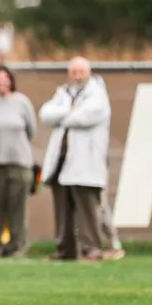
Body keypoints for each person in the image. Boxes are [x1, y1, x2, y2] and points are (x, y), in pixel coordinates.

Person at [40, 56, 111, 262]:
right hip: (61, 161)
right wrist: (67, 111)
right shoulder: (63, 93)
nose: (78, 76)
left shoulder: (97, 94)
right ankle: (66, 250)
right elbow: (45, 114)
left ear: (89, 73)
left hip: (85, 161)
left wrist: (63, 115)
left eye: (82, 72)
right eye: (74, 72)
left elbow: (86, 116)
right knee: (63, 210)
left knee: (87, 209)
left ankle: (92, 249)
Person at [0, 65, 37, 257]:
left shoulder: (22, 102)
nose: (2, 82)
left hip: (19, 163)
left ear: (11, 81)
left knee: (17, 208)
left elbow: (31, 131)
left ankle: (17, 247)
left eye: (5, 78)